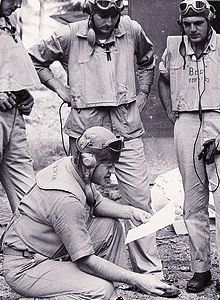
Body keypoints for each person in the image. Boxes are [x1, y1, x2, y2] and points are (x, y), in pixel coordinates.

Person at [28, 0, 163, 278]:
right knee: (82, 199)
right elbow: (35, 58)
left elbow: (148, 61)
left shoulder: (132, 30)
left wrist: (144, 94)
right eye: (101, 15)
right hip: (87, 132)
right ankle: (88, 266)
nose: (108, 21)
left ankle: (148, 273)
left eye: (113, 14)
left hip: (125, 128)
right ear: (91, 12)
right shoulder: (70, 34)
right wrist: (61, 89)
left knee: (138, 199)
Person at [1, 126, 180, 299]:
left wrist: (131, 212)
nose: (112, 172)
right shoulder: (66, 199)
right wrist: (138, 279)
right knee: (100, 290)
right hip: (27, 266)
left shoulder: (73, 166)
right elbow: (85, 260)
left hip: (46, 251)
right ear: (89, 162)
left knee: (110, 225)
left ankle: (111, 293)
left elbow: (97, 202)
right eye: (109, 166)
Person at [158, 0, 220, 295]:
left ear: (209, 19)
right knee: (193, 200)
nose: (192, 29)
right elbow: (162, 78)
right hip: (186, 123)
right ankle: (201, 269)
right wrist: (170, 110)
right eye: (187, 24)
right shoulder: (174, 47)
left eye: (198, 23)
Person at [0, 0, 40, 213]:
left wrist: (22, 91)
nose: (17, 4)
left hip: (12, 112)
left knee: (28, 191)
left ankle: (26, 241)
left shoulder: (10, 20)